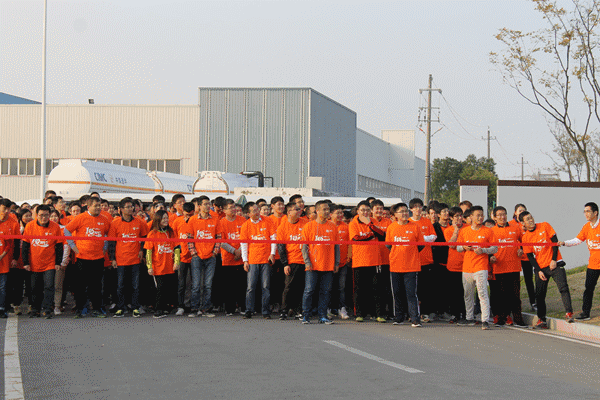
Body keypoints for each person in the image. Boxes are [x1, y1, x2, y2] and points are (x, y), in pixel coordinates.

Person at [519, 211, 574, 328]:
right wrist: (538, 270)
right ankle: (542, 319)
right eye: (527, 219)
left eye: (531, 217)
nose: (531, 220)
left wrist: (554, 260)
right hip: (541, 268)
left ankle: (569, 313)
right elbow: (530, 257)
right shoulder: (525, 237)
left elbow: (555, 243)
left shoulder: (545, 225)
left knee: (563, 288)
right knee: (539, 295)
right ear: (523, 223)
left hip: (555, 263)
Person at [64, 197, 111, 318]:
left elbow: (107, 235)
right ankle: (80, 309)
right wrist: (73, 246)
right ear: (88, 207)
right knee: (80, 285)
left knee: (96, 285)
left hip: (98, 258)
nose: (98, 208)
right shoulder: (81, 217)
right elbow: (66, 231)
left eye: (99, 205)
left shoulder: (104, 219)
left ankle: (97, 309)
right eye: (96, 206)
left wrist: (104, 248)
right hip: (82, 257)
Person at [456, 205, 497, 330]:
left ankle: (485, 320)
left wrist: (483, 250)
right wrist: (464, 247)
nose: (480, 217)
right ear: (471, 217)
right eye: (477, 215)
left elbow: (495, 248)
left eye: (482, 215)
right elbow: (457, 247)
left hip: (481, 266)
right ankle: (469, 318)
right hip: (467, 267)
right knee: (468, 294)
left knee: (482, 293)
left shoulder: (488, 231)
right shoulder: (464, 231)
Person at [108, 197, 149, 318]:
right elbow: (111, 243)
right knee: (120, 285)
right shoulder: (115, 223)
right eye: (127, 207)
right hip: (121, 259)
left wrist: (141, 250)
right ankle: (121, 307)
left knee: (135, 285)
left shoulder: (139, 222)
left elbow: (144, 238)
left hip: (135, 259)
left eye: (132, 206)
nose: (130, 209)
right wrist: (112, 259)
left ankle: (135, 307)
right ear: (120, 209)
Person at [300, 201, 340, 324]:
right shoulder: (309, 226)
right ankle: (306, 315)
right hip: (312, 265)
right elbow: (304, 246)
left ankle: (322, 316)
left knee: (325, 291)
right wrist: (307, 262)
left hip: (328, 265)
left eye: (328, 209)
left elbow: (336, 246)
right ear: (317, 211)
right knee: (309, 290)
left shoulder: (332, 226)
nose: (327, 212)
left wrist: (336, 263)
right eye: (324, 209)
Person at [386, 203, 424, 327]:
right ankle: (399, 317)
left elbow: (421, 245)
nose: (404, 213)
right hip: (395, 265)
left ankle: (415, 318)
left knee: (411, 294)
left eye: (406, 211)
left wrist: (411, 253)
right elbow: (388, 245)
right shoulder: (391, 227)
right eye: (401, 211)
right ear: (395, 215)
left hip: (411, 266)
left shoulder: (415, 226)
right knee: (397, 293)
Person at [560, 202, 600, 320]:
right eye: (584, 211)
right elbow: (578, 240)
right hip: (593, 264)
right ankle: (585, 313)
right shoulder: (587, 227)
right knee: (588, 289)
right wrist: (565, 243)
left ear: (595, 213)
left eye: (588, 211)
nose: (585, 214)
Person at [22, 205, 63, 319]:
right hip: (34, 263)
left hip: (49, 263)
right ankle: (35, 309)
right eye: (41, 215)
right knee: (35, 287)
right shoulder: (30, 226)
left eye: (46, 215)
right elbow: (25, 246)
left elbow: (59, 246)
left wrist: (58, 262)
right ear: (36, 215)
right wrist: (26, 262)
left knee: (49, 286)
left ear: (49, 215)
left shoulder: (55, 227)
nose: (43, 218)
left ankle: (47, 309)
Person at [349, 200, 386, 322]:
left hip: (375, 260)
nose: (365, 212)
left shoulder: (373, 221)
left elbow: (382, 235)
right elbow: (356, 239)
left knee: (377, 289)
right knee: (359, 289)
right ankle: (359, 313)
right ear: (357, 211)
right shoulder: (353, 223)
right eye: (362, 210)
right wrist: (371, 235)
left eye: (367, 210)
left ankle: (378, 314)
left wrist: (370, 225)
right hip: (359, 261)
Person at [490, 206, 526, 327]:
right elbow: (487, 248)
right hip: (499, 267)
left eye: (504, 214)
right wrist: (490, 257)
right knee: (501, 296)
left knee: (515, 295)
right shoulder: (491, 231)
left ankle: (518, 319)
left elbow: (525, 241)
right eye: (499, 215)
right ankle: (502, 318)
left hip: (514, 266)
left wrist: (521, 250)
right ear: (495, 218)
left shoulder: (516, 228)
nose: (502, 217)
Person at [240, 202, 277, 319]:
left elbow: (273, 238)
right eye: (254, 211)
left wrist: (272, 253)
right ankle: (249, 310)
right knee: (250, 287)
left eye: (257, 209)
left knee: (266, 287)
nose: (257, 212)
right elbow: (244, 244)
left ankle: (265, 311)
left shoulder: (268, 220)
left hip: (265, 259)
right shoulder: (245, 225)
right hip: (252, 260)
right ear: (248, 213)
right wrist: (245, 260)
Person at [186, 196, 221, 318]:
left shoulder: (215, 220)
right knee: (196, 285)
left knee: (208, 285)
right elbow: (189, 238)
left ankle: (206, 308)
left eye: (209, 204)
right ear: (199, 206)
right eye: (205, 204)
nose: (207, 206)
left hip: (211, 256)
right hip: (197, 256)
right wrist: (193, 253)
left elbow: (219, 237)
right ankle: (194, 308)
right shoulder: (193, 220)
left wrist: (215, 252)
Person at [144, 210, 180, 318]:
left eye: (167, 218)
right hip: (158, 267)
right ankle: (158, 309)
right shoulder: (152, 234)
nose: (166, 220)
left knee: (168, 288)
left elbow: (177, 248)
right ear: (158, 219)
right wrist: (149, 267)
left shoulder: (171, 232)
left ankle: (166, 307)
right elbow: (148, 252)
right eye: (163, 218)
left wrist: (177, 262)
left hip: (170, 266)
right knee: (160, 288)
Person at [277, 202, 308, 320]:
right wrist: (285, 264)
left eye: (299, 209)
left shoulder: (305, 223)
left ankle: (298, 310)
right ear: (289, 212)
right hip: (292, 260)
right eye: (296, 209)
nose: (299, 211)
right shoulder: (283, 227)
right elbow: (281, 247)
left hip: (305, 260)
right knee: (288, 287)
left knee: (301, 287)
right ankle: (284, 310)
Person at [409, 198, 437, 322]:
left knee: (425, 289)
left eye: (420, 206)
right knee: (412, 289)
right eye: (415, 207)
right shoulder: (408, 222)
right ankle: (412, 313)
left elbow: (433, 237)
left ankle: (424, 313)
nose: (418, 209)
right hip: (411, 261)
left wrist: (420, 238)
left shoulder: (427, 221)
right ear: (411, 209)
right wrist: (423, 238)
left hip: (426, 260)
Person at [218, 199, 247, 316]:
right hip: (228, 259)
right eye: (230, 207)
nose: (233, 209)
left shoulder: (242, 220)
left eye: (234, 207)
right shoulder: (221, 222)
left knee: (242, 284)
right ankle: (229, 308)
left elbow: (246, 237)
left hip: (242, 258)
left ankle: (243, 307)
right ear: (224, 210)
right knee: (228, 285)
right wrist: (234, 251)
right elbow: (221, 241)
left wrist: (240, 251)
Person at [509, 203, 536, 311]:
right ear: (515, 213)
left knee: (529, 280)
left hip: (526, 256)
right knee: (514, 281)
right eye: (520, 210)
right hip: (514, 256)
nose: (522, 212)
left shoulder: (528, 223)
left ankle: (533, 302)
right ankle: (514, 304)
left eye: (523, 210)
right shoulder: (510, 224)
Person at [172, 202, 195, 316]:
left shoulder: (196, 222)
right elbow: (175, 243)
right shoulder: (177, 222)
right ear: (182, 212)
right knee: (181, 283)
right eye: (186, 215)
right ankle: (180, 306)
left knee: (193, 283)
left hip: (194, 257)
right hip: (181, 257)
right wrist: (176, 260)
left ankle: (190, 305)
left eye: (191, 215)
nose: (188, 218)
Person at [444, 207, 466, 323]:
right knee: (454, 292)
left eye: (460, 215)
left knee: (466, 291)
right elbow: (451, 245)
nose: (459, 218)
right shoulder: (448, 230)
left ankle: (466, 314)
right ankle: (455, 314)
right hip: (453, 265)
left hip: (467, 265)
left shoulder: (468, 228)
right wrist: (456, 230)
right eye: (456, 216)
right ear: (451, 218)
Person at [329, 204, 350, 320]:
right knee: (328, 287)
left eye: (341, 212)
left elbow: (350, 243)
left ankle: (342, 308)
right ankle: (327, 309)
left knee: (341, 287)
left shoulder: (346, 226)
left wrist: (348, 257)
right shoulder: (327, 225)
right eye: (338, 213)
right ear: (331, 214)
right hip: (328, 263)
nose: (340, 215)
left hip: (342, 263)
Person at [0, 199, 21, 318]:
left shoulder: (13, 222)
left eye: (8, 209)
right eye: (4, 209)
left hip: (6, 259)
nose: (6, 211)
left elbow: (16, 242)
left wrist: (15, 258)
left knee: (5, 286)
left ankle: (3, 308)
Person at [49, 209, 70, 315]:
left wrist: (63, 261)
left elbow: (66, 246)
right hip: (46, 262)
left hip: (59, 262)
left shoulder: (63, 229)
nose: (53, 218)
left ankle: (57, 306)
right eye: (51, 216)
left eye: (55, 216)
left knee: (58, 285)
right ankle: (47, 305)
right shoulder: (44, 228)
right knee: (47, 285)